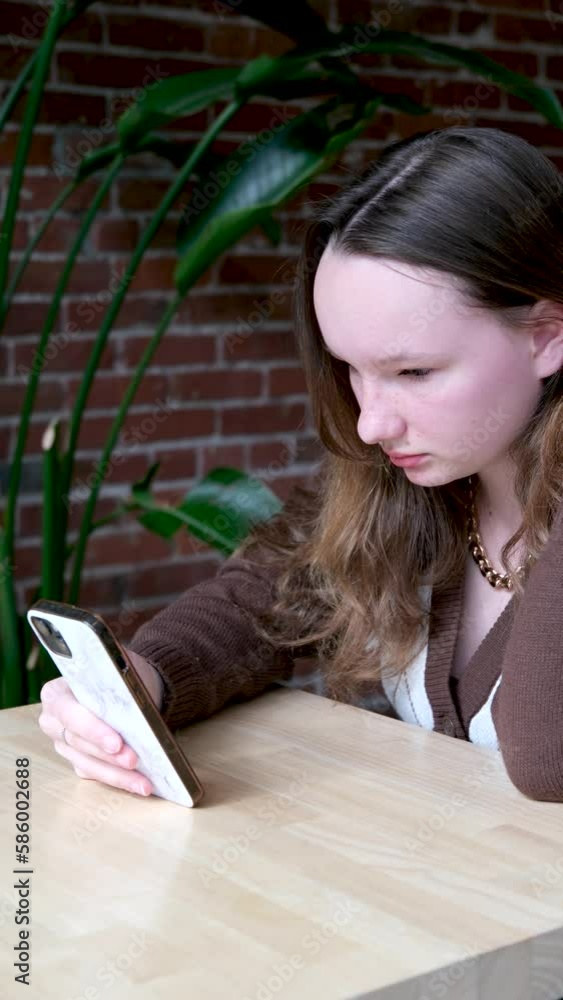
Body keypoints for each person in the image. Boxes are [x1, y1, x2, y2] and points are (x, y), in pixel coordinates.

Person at [38, 125, 563, 801]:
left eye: (412, 371)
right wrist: (146, 677)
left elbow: (546, 759)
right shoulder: (425, 477)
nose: (371, 424)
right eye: (350, 369)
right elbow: (267, 595)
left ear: (547, 336)